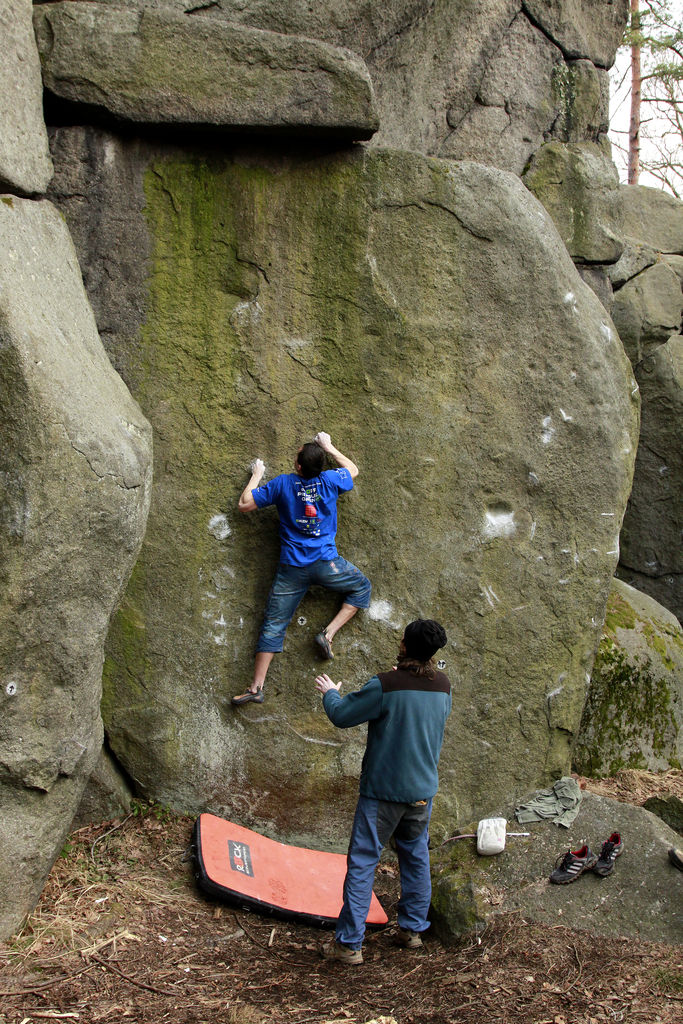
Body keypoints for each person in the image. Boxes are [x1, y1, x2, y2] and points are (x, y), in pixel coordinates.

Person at [315, 619, 451, 965]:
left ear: (405, 645)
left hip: (382, 794)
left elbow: (342, 715)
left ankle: (349, 945)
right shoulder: (443, 685)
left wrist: (331, 691)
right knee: (416, 855)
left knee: (363, 861)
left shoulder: (385, 684)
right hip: (422, 793)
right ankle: (412, 930)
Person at [232, 432, 371, 706]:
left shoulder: (283, 484)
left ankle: (256, 687)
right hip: (327, 564)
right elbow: (352, 470)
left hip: (292, 568)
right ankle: (328, 634)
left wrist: (257, 473)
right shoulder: (331, 480)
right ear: (321, 466)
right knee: (362, 587)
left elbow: (244, 504)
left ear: (297, 466)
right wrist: (329, 446)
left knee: (274, 623)